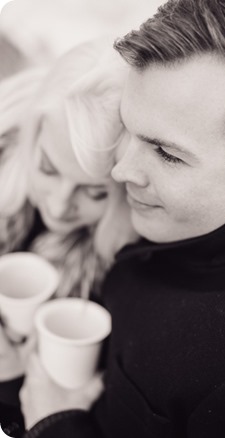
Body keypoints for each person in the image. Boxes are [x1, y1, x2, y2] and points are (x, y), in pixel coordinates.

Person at [17, 0, 225, 437]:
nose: (121, 172)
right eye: (130, 130)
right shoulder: (170, 210)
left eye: (166, 153)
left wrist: (56, 424)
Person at [0, 36, 136, 436]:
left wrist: (12, 376)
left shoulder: (124, 267)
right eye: (46, 167)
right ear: (32, 135)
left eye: (94, 193)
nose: (59, 207)